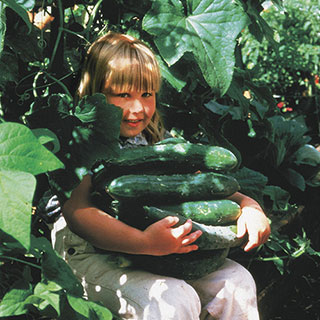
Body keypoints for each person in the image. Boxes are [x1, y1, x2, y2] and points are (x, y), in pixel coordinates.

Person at [51, 31, 271, 320]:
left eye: (147, 94)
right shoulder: (81, 141)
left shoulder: (156, 141)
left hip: (152, 250)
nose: (138, 108)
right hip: (89, 254)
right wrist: (144, 242)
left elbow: (203, 185)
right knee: (171, 300)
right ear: (95, 93)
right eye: (122, 95)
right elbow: (80, 214)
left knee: (237, 283)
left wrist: (248, 206)